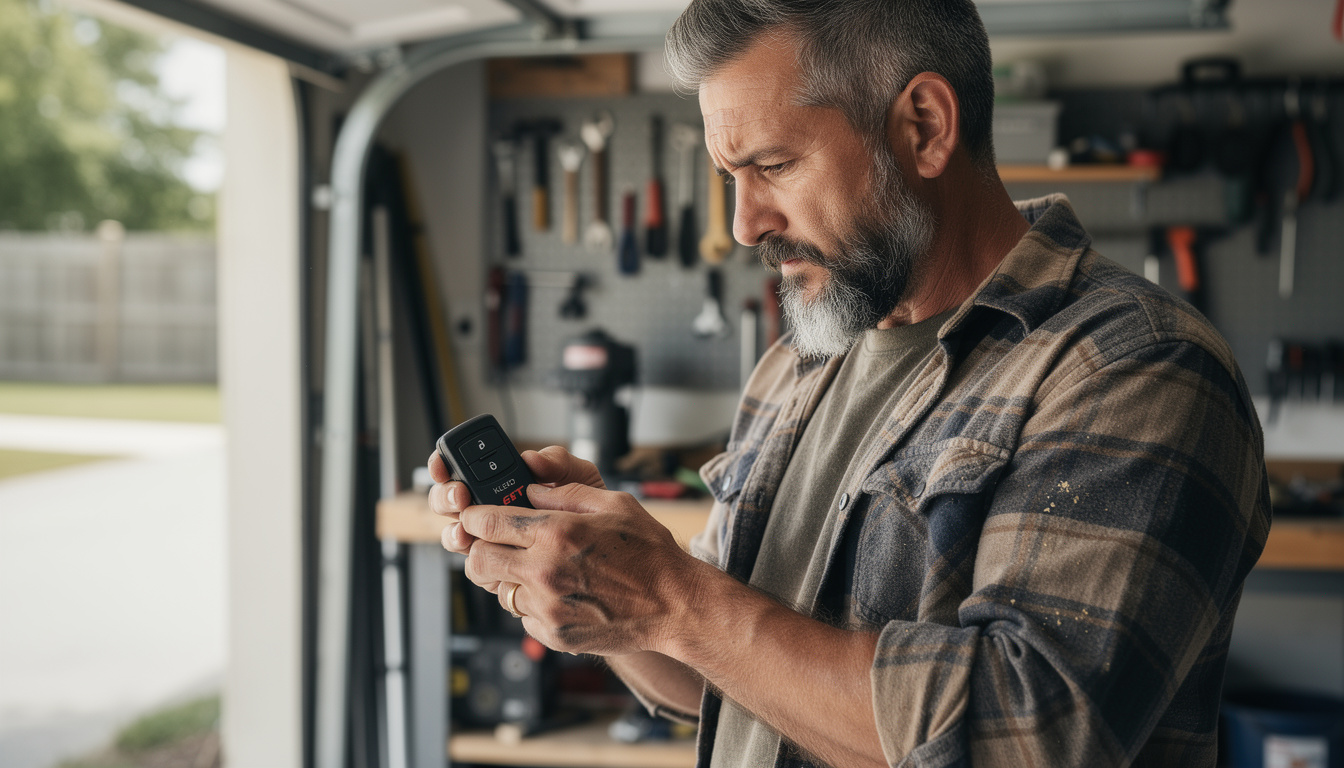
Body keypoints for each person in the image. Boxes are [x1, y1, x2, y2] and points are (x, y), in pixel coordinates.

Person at [427, 0, 1271, 765]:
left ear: (925, 127)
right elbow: (727, 678)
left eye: (774, 165)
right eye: (731, 179)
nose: (744, 223)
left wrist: (677, 600)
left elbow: (1026, 736)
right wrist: (603, 588)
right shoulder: (800, 361)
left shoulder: (1137, 367)